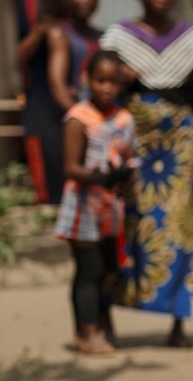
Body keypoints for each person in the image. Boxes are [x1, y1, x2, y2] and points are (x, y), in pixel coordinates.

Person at [100, 0, 193, 348]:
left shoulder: (190, 38)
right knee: (127, 228)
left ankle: (177, 323)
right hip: (134, 145)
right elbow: (99, 91)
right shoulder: (118, 38)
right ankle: (106, 318)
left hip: (179, 148)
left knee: (182, 229)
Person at [53, 50, 135, 356]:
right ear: (87, 80)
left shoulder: (124, 119)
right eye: (100, 81)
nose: (106, 88)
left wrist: (125, 177)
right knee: (88, 270)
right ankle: (85, 333)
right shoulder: (77, 119)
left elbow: (128, 158)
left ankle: (102, 325)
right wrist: (101, 178)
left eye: (113, 82)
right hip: (83, 210)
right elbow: (71, 167)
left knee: (106, 271)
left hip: (110, 211)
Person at [17, 0, 69, 203]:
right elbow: (20, 56)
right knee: (51, 186)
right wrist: (40, 29)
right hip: (42, 103)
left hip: (74, 100)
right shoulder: (28, 5)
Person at [46, 0, 103, 115]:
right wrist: (79, 117)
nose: (87, 0)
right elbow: (58, 85)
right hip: (75, 112)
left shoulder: (101, 35)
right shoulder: (60, 33)